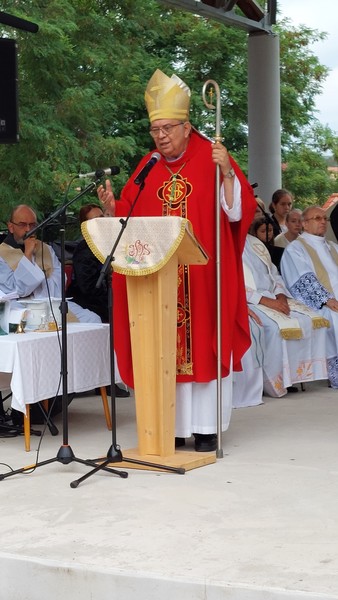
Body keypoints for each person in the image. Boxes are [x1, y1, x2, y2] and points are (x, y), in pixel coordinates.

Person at [97, 68, 257, 451]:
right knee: (162, 346)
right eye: (156, 130)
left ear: (187, 127)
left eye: (168, 128)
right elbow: (130, 214)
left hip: (201, 279)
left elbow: (238, 214)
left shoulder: (213, 156)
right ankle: (170, 425)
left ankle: (205, 428)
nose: (161, 137)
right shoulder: (148, 165)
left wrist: (228, 178)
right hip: (160, 282)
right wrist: (110, 208)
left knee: (202, 346)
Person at [243, 232, 329, 397]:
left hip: (273, 295)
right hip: (250, 301)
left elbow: (274, 274)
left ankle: (294, 377)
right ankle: (275, 383)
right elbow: (229, 283)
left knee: (310, 320)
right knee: (275, 329)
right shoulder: (224, 244)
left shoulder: (255, 242)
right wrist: (266, 301)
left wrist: (281, 295)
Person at [67, 203, 130, 398]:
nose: (101, 222)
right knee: (108, 322)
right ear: (85, 226)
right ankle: (106, 380)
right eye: (95, 220)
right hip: (88, 302)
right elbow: (89, 288)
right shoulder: (84, 251)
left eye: (102, 217)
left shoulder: (112, 242)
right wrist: (115, 301)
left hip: (109, 298)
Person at [0, 204, 101, 324]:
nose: (28, 229)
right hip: (21, 307)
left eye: (32, 225)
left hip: (52, 303)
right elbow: (12, 290)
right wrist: (28, 254)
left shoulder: (46, 249)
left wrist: (39, 289)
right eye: (22, 224)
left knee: (92, 319)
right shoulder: (2, 253)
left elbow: (60, 278)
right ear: (11, 227)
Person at [281, 205, 338, 387]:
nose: (323, 222)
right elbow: (300, 279)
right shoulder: (295, 249)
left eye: (324, 219)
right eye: (317, 218)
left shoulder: (333, 247)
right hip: (317, 303)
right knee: (334, 317)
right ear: (304, 224)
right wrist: (326, 299)